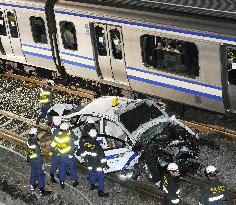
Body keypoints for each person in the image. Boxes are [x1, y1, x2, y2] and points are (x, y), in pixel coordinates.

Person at [76, 126, 109, 197]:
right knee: (100, 177)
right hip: (97, 164)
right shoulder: (97, 145)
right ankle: (100, 192)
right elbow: (102, 156)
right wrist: (105, 163)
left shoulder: (85, 142)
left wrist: (85, 157)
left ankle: (92, 185)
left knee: (92, 174)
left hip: (89, 163)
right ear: (95, 135)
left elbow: (79, 152)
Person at [51, 122, 79, 189]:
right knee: (72, 168)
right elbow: (72, 147)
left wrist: (57, 151)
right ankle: (74, 181)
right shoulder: (68, 137)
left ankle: (62, 182)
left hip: (61, 156)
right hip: (69, 156)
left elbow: (52, 146)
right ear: (67, 129)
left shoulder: (57, 136)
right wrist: (73, 153)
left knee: (62, 168)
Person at [26, 127, 51, 196]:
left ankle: (32, 185)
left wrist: (28, 160)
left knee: (33, 173)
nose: (37, 135)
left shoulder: (28, 141)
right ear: (34, 134)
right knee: (41, 175)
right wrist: (42, 164)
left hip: (32, 161)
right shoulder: (36, 145)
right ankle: (42, 190)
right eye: (36, 133)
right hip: (37, 162)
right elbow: (39, 156)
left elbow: (28, 151)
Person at [49, 116, 62, 183]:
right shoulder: (56, 130)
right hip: (57, 150)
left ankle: (59, 172)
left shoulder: (55, 128)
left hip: (57, 149)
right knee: (56, 163)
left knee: (59, 162)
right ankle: (52, 175)